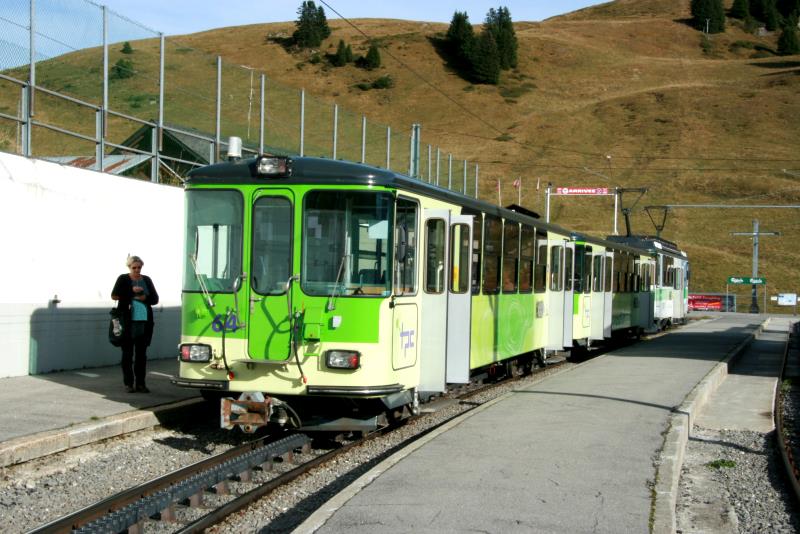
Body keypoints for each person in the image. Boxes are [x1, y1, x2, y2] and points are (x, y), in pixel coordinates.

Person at [111, 255, 159, 393]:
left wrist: (146, 297)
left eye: (139, 267)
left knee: (141, 355)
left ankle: (141, 383)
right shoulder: (123, 279)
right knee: (127, 354)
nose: (137, 270)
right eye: (134, 268)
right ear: (129, 267)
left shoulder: (146, 279)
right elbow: (114, 295)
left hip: (143, 321)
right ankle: (128, 383)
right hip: (127, 321)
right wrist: (131, 292)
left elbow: (155, 298)